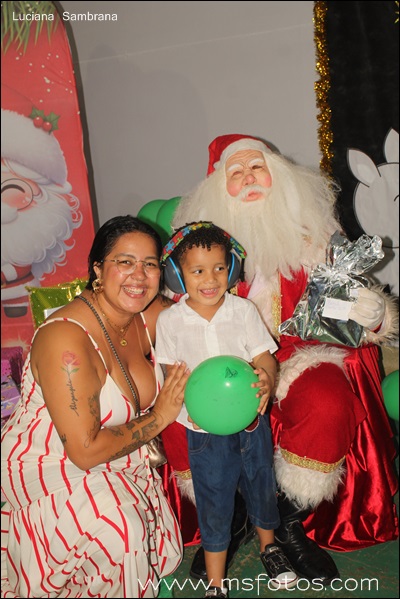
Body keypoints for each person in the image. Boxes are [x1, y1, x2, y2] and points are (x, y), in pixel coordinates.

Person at [162, 134, 399, 584]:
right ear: (218, 188)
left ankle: (288, 521)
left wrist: (371, 314)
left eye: (258, 167)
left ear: (280, 176)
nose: (250, 178)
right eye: (236, 172)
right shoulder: (201, 254)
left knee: (327, 400)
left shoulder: (313, 241)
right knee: (175, 408)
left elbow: (344, 302)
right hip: (219, 365)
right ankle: (230, 517)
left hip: (300, 358)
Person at [0, 215, 189, 598]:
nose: (139, 275)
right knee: (121, 530)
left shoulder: (146, 313)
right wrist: (159, 417)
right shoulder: (65, 339)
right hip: (54, 463)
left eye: (150, 264)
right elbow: (85, 452)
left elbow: (203, 318)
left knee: (149, 546)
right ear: (98, 269)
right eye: (125, 262)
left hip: (119, 456)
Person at [156, 222, 298, 597]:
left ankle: (270, 548)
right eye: (197, 271)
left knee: (261, 486)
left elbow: (264, 358)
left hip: (250, 422)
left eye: (219, 267)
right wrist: (186, 403)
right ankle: (216, 583)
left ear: (232, 269)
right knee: (214, 501)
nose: (211, 279)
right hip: (204, 431)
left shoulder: (243, 310)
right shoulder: (169, 321)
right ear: (177, 275)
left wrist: (266, 379)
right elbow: (172, 376)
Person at [1, 108, 82, 318]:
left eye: (10, 189)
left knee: (20, 313)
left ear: (40, 193)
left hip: (18, 288)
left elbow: (21, 265)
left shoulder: (23, 244)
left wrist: (5, 274)